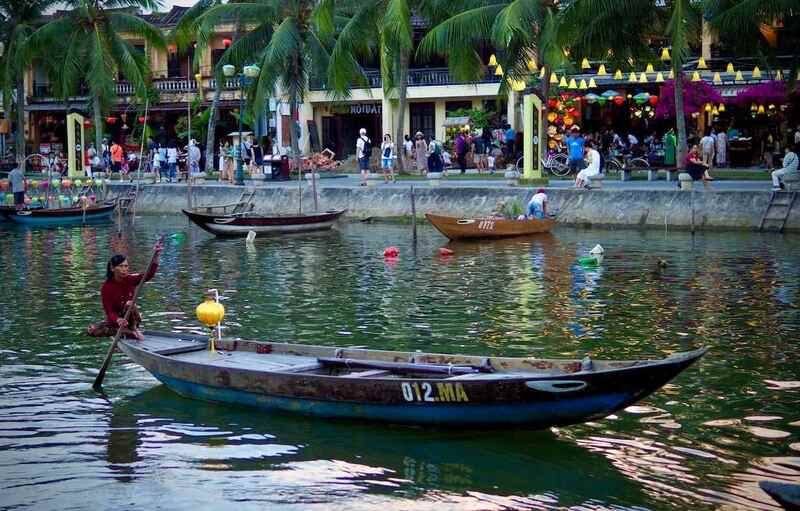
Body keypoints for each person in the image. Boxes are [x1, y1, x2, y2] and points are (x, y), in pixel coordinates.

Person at [87, 240, 163, 340]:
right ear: (112, 268)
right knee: (92, 331)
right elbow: (109, 312)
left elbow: (148, 275)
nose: (124, 269)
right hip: (118, 321)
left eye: (126, 266)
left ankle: (132, 329)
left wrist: (156, 255)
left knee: (129, 304)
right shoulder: (106, 287)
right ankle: (128, 332)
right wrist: (118, 320)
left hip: (131, 318)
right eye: (121, 266)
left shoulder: (130, 279)